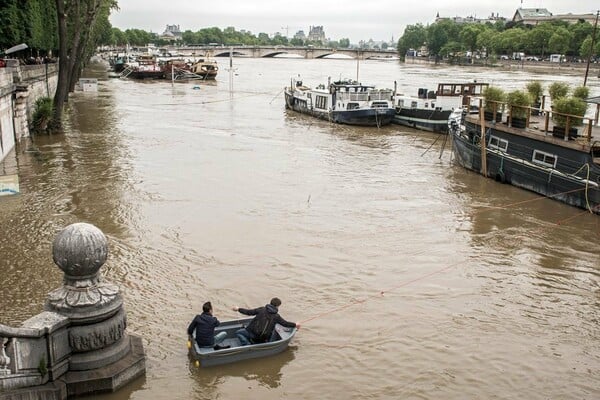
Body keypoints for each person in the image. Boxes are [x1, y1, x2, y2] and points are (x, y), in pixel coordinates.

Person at [232, 297, 299, 345]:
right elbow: (285, 323)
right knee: (274, 329)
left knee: (238, 332)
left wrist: (238, 309)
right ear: (278, 306)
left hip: (252, 334)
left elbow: (248, 312)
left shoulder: (261, 309)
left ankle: (247, 344)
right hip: (264, 339)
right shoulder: (276, 316)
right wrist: (295, 324)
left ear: (270, 303)